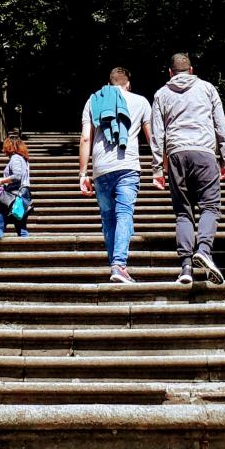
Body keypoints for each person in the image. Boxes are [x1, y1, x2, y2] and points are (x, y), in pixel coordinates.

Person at [151, 52, 225, 287]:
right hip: (204, 152)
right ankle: (204, 249)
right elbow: (220, 126)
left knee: (183, 213)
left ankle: (186, 266)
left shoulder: (161, 94)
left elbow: (158, 134)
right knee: (210, 206)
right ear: (192, 70)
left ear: (170, 73)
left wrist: (157, 168)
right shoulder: (207, 89)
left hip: (176, 155)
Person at [79, 66, 152, 285]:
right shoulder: (141, 101)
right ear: (128, 83)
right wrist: (161, 165)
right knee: (124, 213)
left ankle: (116, 266)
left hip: (101, 167)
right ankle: (119, 265)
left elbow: (85, 139)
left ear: (110, 83)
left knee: (108, 218)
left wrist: (83, 173)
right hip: (128, 165)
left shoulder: (93, 101)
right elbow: (152, 138)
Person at [0, 137, 32, 238]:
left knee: (0, 215)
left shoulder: (15, 158)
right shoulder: (23, 159)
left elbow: (17, 176)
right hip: (22, 192)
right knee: (20, 222)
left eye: (5, 147)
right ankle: (26, 245)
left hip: (14, 193)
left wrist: (0, 181)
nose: (3, 149)